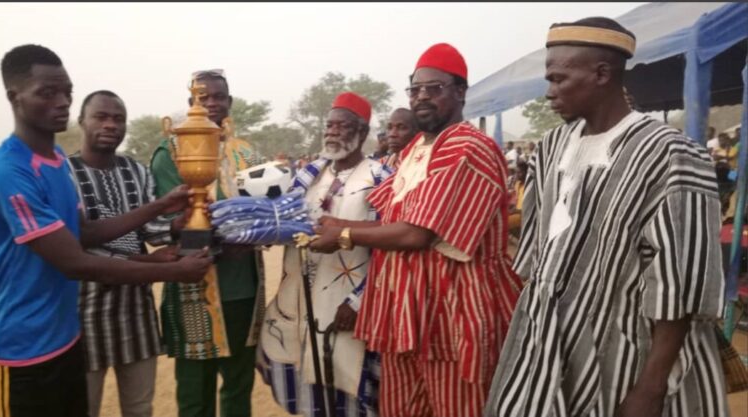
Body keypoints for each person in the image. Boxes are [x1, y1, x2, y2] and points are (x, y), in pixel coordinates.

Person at [484, 17, 728, 417]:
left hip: (631, 355)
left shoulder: (670, 153)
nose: (549, 93)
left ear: (602, 74)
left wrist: (650, 390)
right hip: (547, 348)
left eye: (559, 79)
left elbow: (682, 285)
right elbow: (538, 259)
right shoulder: (551, 146)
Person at [0, 44, 211, 417]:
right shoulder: (8, 169)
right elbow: (75, 262)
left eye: (67, 92)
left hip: (64, 338)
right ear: (14, 96)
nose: (62, 102)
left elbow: (83, 233)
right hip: (17, 348)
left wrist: (156, 207)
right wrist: (171, 272)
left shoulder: (53, 160)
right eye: (47, 93)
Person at [310, 43, 521, 417]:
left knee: (458, 408)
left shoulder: (466, 147)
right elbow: (390, 220)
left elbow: (416, 234)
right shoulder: (414, 150)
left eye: (433, 88)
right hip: (405, 313)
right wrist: (335, 223)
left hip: (454, 312)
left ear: (459, 92)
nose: (421, 96)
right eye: (415, 89)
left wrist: (343, 235)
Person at [259, 92, 389, 417]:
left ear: (360, 132)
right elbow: (282, 219)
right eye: (329, 125)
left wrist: (360, 301)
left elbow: (388, 251)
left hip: (347, 301)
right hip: (300, 296)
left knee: (345, 382)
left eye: (341, 126)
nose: (331, 132)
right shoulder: (309, 175)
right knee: (303, 378)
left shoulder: (380, 179)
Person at [150, 68, 265, 417]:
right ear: (191, 103)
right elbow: (166, 219)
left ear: (230, 103)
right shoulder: (170, 150)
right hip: (194, 285)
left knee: (238, 385)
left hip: (244, 287)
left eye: (220, 97)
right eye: (204, 97)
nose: (213, 103)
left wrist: (262, 229)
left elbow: (260, 207)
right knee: (195, 390)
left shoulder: (246, 153)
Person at [67, 90, 181, 417]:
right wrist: (147, 261)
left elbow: (152, 230)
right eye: (101, 117)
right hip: (83, 310)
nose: (110, 125)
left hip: (135, 308)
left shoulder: (138, 171)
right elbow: (77, 244)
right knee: (83, 407)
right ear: (81, 122)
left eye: (118, 119)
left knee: (139, 408)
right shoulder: (63, 173)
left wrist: (179, 225)